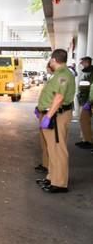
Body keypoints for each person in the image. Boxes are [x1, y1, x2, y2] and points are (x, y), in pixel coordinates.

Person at [35, 49, 75, 193]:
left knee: (58, 149)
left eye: (51, 60)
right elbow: (52, 95)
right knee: (52, 149)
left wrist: (48, 116)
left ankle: (59, 183)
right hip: (53, 114)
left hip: (57, 115)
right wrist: (40, 109)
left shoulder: (63, 75)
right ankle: (52, 177)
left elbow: (59, 98)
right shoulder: (58, 74)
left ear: (53, 60)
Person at [75, 56, 92, 149]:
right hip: (83, 100)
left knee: (84, 120)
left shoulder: (90, 73)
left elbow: (90, 89)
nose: (81, 64)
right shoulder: (85, 72)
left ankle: (88, 141)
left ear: (87, 62)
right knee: (84, 121)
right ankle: (85, 140)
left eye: (82, 62)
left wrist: (89, 102)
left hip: (87, 101)